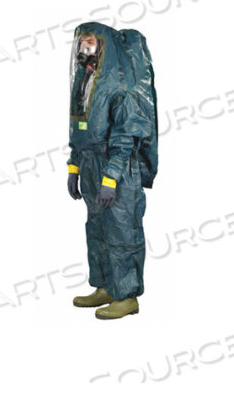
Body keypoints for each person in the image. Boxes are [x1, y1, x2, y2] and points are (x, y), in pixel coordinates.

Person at [66, 22, 153, 320]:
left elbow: (125, 136)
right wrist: (74, 167)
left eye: (90, 43)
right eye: (81, 43)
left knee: (121, 230)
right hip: (91, 165)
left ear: (104, 47)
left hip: (117, 167)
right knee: (97, 229)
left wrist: (111, 177)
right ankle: (105, 286)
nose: (84, 49)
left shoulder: (119, 85)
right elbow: (79, 130)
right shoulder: (85, 82)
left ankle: (126, 296)